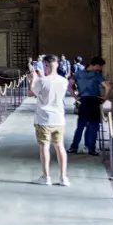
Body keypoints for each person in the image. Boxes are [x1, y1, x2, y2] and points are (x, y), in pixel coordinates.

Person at [29, 54, 70, 186]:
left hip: (43, 118)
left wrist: (33, 77)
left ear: (45, 65)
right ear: (57, 65)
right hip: (59, 118)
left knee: (44, 147)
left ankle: (46, 176)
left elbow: (31, 93)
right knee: (60, 147)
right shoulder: (64, 81)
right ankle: (63, 177)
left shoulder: (42, 81)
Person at [69, 56, 110, 156]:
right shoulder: (97, 75)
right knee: (94, 126)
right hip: (94, 101)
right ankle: (91, 148)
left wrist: (75, 97)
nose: (100, 69)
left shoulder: (78, 74)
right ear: (96, 65)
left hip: (83, 101)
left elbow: (69, 86)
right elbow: (108, 87)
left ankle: (74, 147)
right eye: (100, 67)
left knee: (80, 126)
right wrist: (105, 97)